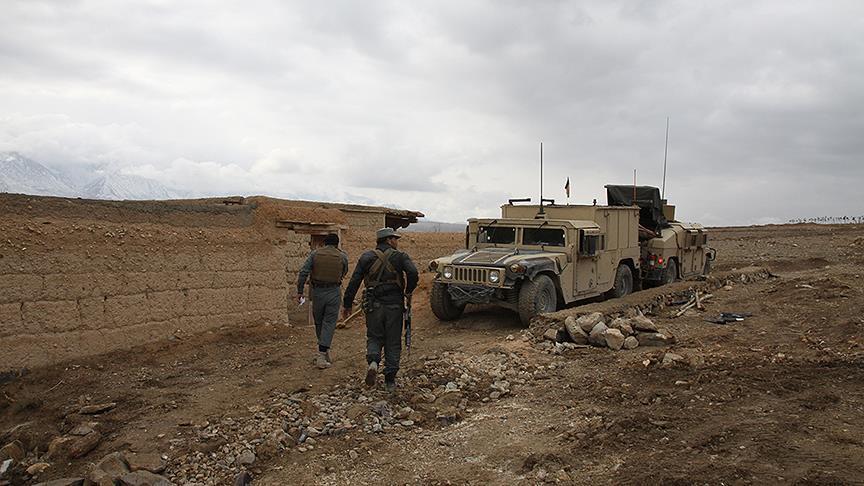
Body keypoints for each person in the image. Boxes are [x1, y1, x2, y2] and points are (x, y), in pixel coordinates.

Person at [342, 228, 418, 392]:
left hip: (373, 305)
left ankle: (373, 363)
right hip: (394, 306)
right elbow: (413, 272)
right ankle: (390, 380)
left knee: (374, 337)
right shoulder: (400, 256)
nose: (396, 242)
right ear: (389, 240)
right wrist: (408, 291)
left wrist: (347, 304)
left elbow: (354, 281)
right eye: (395, 239)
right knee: (393, 341)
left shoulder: (366, 257)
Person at [297, 233, 349, 369]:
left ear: (325, 243)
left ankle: (322, 352)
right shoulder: (342, 256)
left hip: (318, 292)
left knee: (319, 322)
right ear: (337, 244)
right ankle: (323, 352)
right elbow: (345, 272)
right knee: (329, 323)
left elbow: (303, 272)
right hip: (334, 291)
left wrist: (300, 291)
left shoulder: (315, 254)